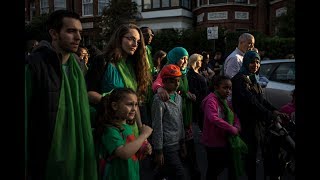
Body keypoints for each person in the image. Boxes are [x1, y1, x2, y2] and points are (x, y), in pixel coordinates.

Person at [25, 10, 97, 180]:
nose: (78, 37)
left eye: (80, 32)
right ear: (54, 33)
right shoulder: (34, 65)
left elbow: (80, 109)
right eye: (71, 31)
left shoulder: (77, 67)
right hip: (47, 156)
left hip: (77, 154)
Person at [86, 23, 152, 137]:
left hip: (131, 128)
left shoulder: (134, 66)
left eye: (138, 41)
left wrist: (141, 132)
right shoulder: (102, 61)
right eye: (130, 39)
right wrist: (112, 103)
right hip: (109, 126)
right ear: (119, 39)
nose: (135, 44)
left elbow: (134, 103)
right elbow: (87, 92)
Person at [231, 50, 288, 180]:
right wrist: (270, 115)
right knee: (249, 156)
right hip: (246, 124)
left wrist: (274, 110)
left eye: (257, 62)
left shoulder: (252, 78)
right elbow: (251, 102)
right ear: (246, 62)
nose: (255, 65)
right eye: (252, 62)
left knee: (257, 153)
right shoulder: (240, 79)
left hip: (256, 123)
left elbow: (261, 100)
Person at [152, 47, 200, 180]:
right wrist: (160, 89)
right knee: (180, 171)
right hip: (168, 140)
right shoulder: (168, 72)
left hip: (180, 128)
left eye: (186, 57)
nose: (185, 61)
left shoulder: (181, 76)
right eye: (182, 58)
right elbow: (158, 126)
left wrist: (188, 94)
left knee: (167, 169)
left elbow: (179, 118)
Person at [95, 88, 153, 180]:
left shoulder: (128, 128)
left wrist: (142, 150)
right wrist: (143, 135)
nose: (134, 109)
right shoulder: (110, 130)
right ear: (115, 106)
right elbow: (124, 153)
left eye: (136, 104)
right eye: (130, 104)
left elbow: (131, 153)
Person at [151, 64, 187, 180]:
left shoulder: (178, 98)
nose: (177, 84)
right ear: (165, 81)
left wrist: (182, 141)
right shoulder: (159, 100)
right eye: (173, 81)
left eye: (178, 80)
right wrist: (158, 150)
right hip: (167, 145)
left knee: (165, 171)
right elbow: (157, 126)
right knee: (179, 174)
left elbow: (180, 120)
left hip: (177, 142)